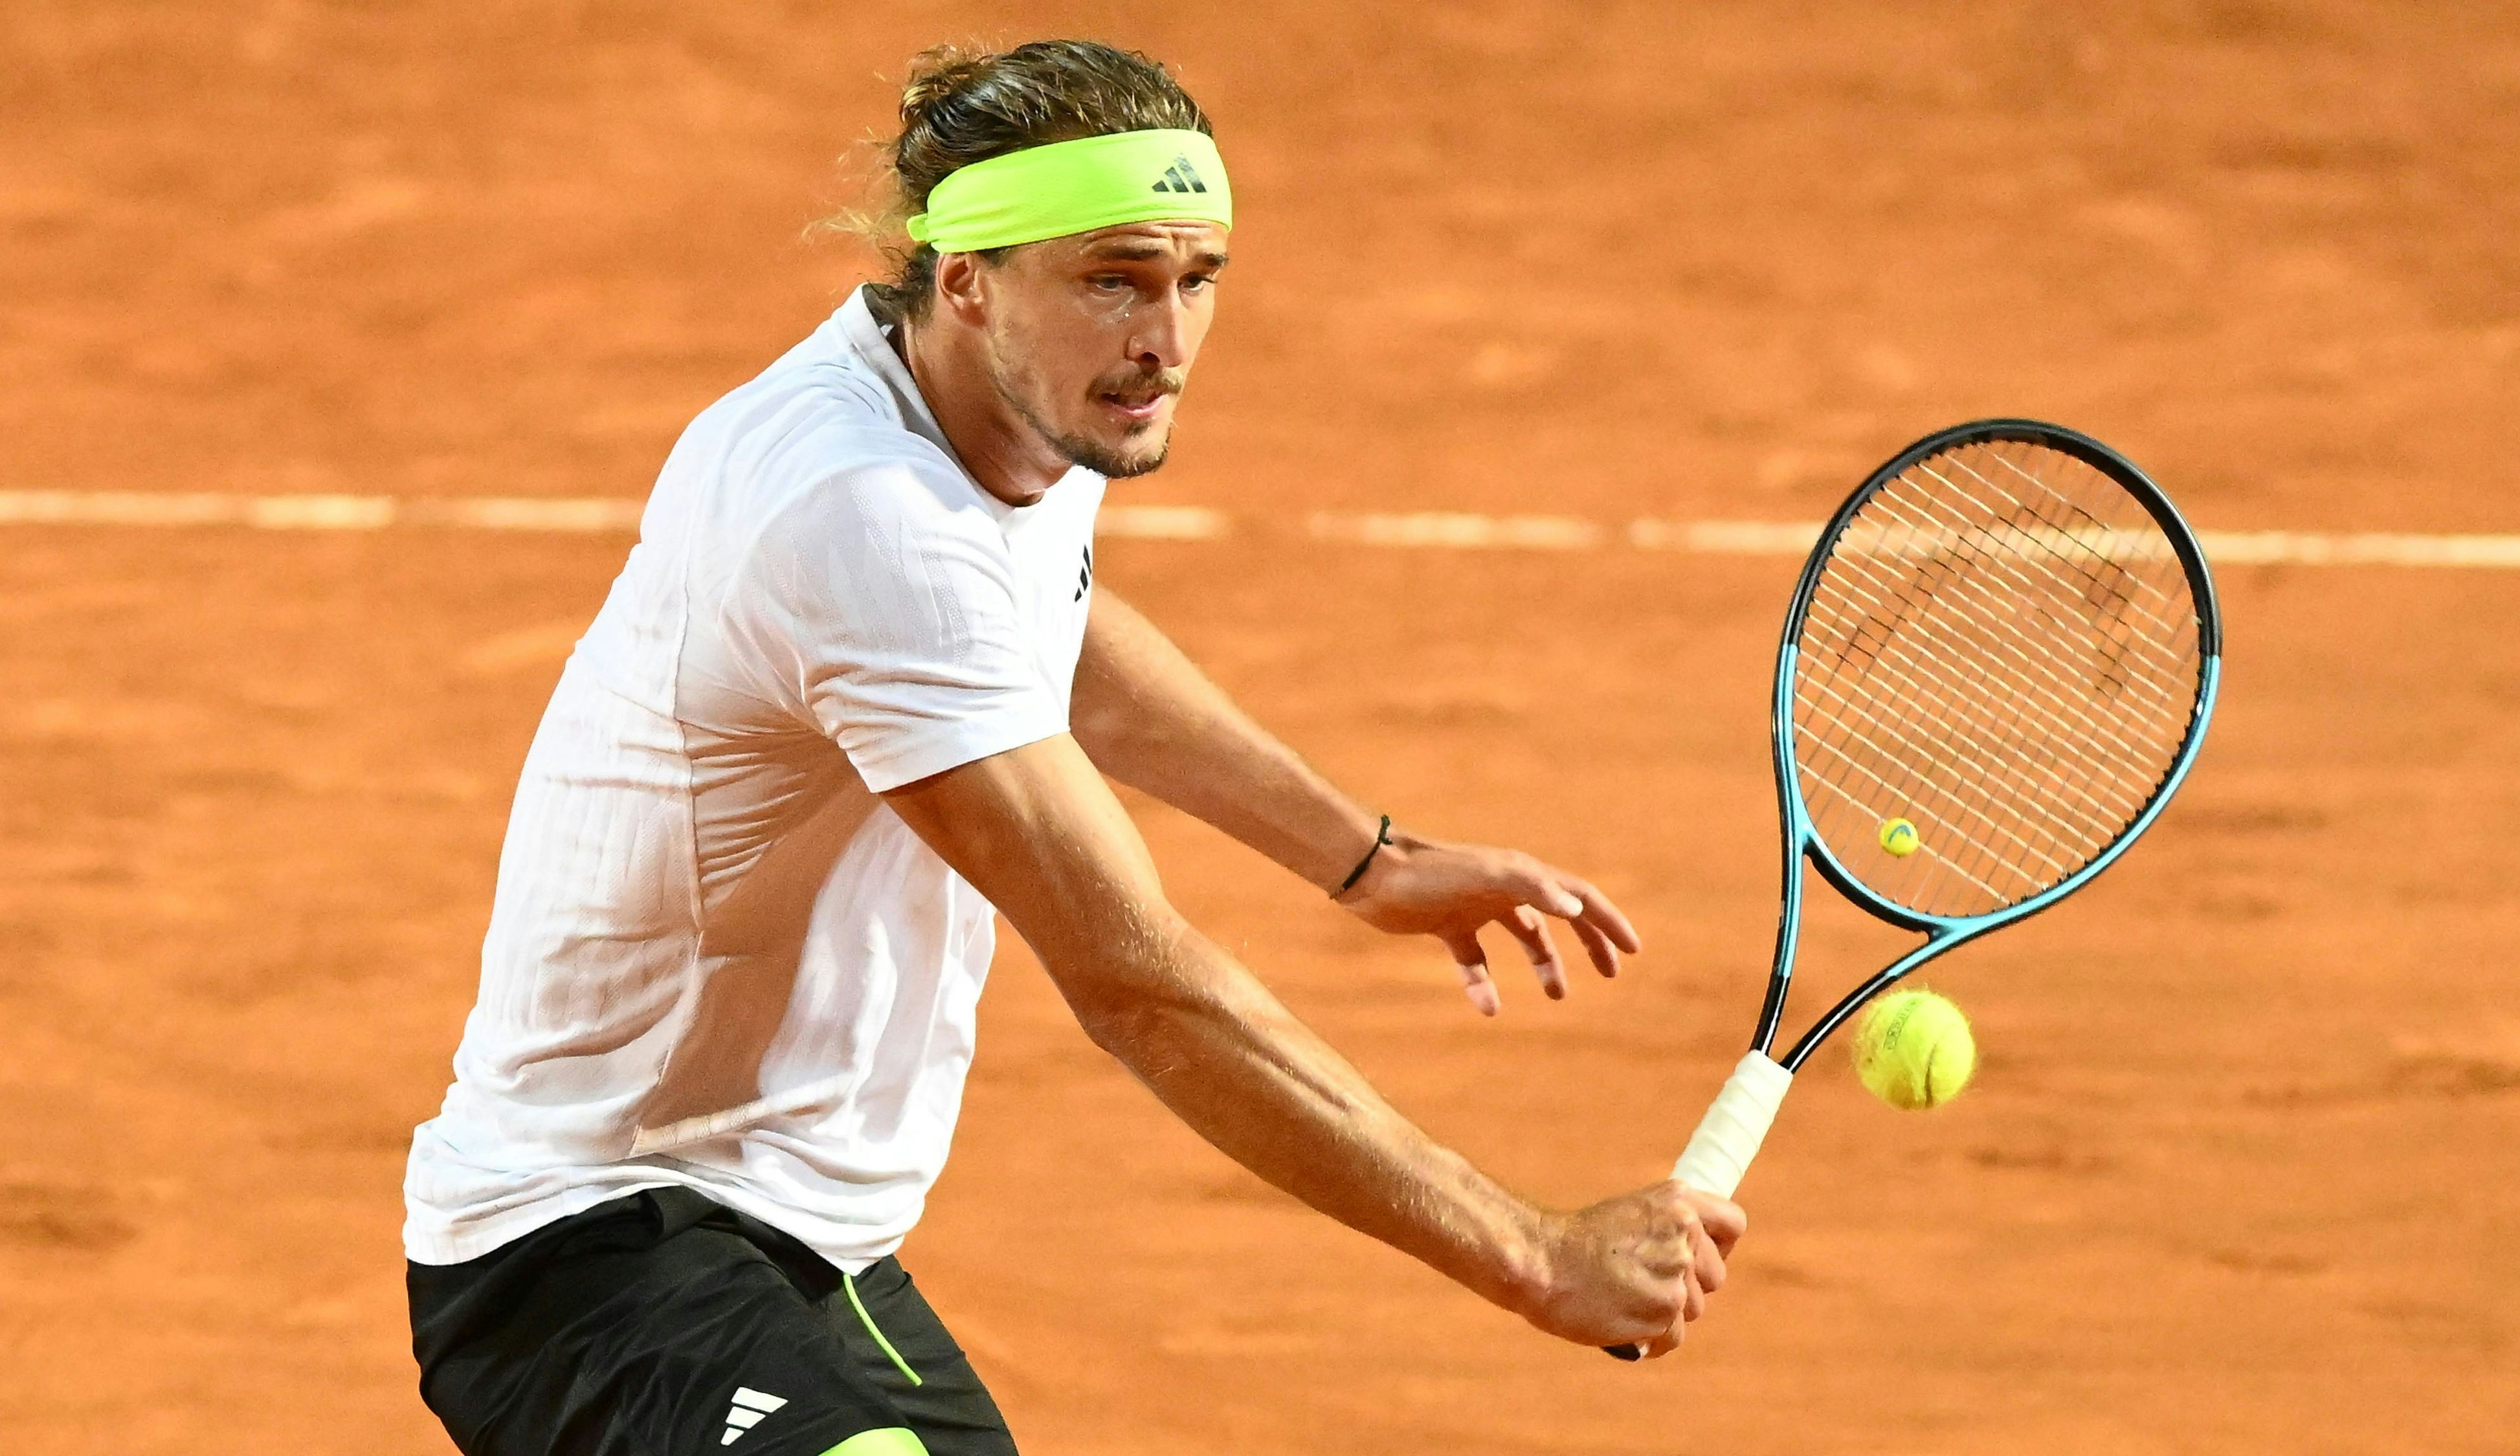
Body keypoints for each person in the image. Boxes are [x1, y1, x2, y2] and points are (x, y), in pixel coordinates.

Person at [401, 39, 1743, 1456]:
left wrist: (1364, 858)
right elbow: (1138, 986)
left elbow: (1057, 643)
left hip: (807, 1248)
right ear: (967, 277)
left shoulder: (961, 402)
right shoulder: (863, 511)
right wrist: (1531, 1255)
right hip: (596, 1242)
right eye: (1111, 278)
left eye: (1194, 280)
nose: (1162, 338)